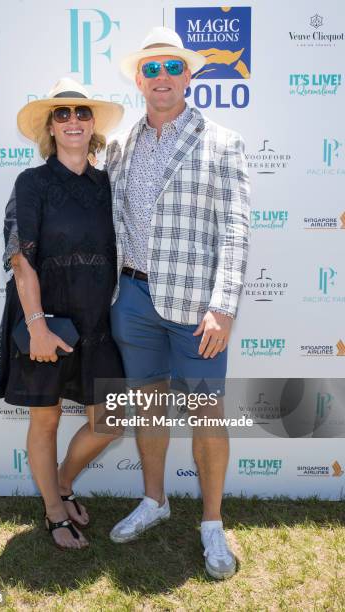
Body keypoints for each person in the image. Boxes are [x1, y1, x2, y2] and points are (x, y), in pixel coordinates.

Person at [106, 27, 250, 579]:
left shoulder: (222, 141)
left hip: (198, 309)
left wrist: (224, 305)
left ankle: (211, 523)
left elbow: (235, 230)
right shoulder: (122, 145)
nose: (161, 77)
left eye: (171, 67)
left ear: (188, 76)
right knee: (147, 406)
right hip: (133, 299)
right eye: (151, 69)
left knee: (206, 414)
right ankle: (154, 500)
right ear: (139, 80)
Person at [0, 78, 125, 551]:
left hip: (97, 323)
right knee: (44, 421)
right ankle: (52, 512)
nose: (73, 121)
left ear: (93, 126)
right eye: (62, 114)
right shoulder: (32, 182)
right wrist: (38, 325)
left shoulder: (107, 183)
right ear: (50, 126)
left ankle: (64, 482)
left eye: (81, 113)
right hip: (45, 318)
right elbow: (21, 259)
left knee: (110, 419)